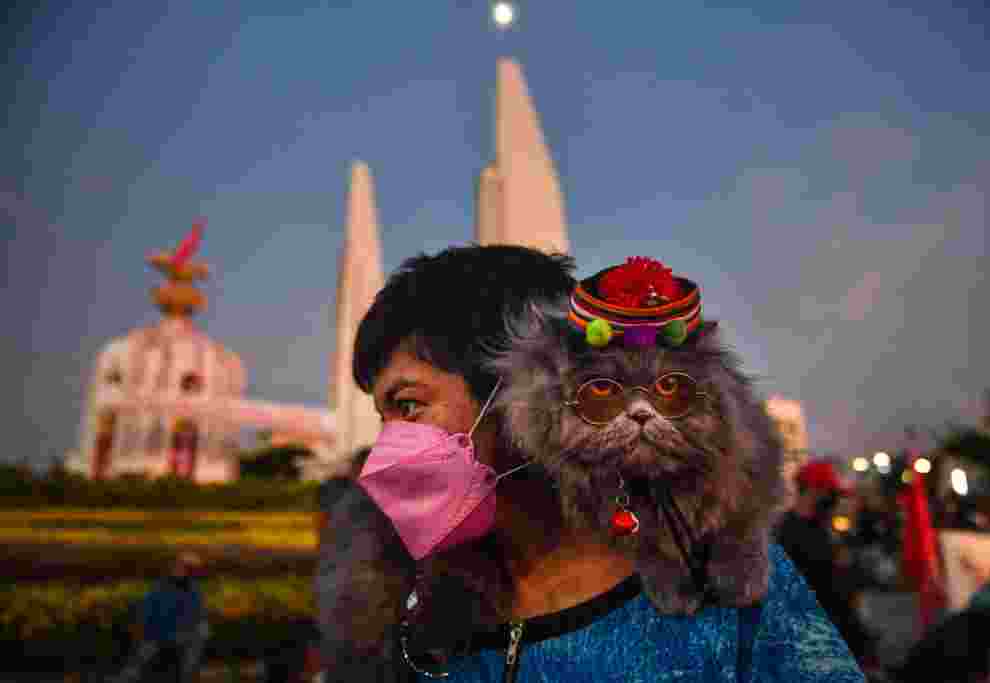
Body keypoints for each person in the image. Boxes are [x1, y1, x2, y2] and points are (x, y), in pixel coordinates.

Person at [317, 244, 864, 682]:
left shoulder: (728, 589)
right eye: (385, 414)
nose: (385, 451)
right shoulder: (404, 621)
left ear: (521, 393)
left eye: (409, 404)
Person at [777, 462, 880, 673]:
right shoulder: (790, 534)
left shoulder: (818, 529)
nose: (835, 501)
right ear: (815, 491)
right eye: (831, 493)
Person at [118, 551, 209, 683]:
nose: (186, 572)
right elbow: (148, 612)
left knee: (200, 632)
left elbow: (196, 616)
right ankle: (130, 673)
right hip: (157, 634)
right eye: (184, 568)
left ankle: (187, 674)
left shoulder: (193, 590)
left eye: (190, 569)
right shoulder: (161, 587)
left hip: (177, 635)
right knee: (141, 656)